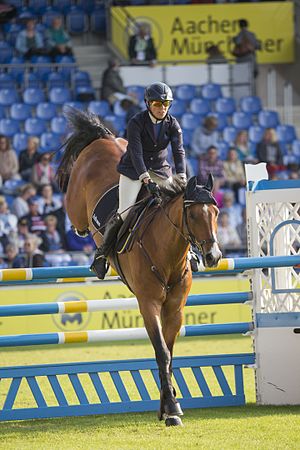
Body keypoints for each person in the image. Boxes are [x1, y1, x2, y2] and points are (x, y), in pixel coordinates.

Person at [91, 82, 187, 279]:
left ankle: (191, 252)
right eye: (157, 104)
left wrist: (182, 177)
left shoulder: (173, 124)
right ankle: (102, 255)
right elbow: (135, 152)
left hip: (160, 171)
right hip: (134, 171)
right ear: (147, 104)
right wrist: (144, 178)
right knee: (124, 213)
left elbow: (178, 151)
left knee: (178, 207)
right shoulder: (136, 122)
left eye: (166, 104)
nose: (162, 108)